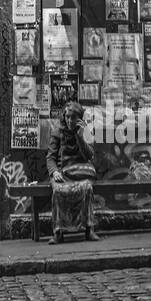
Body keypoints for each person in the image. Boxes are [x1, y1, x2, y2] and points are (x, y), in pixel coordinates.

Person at [46, 98, 99, 243]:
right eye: (67, 117)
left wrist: (80, 136)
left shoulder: (85, 131)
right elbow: (50, 158)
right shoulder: (57, 132)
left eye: (73, 118)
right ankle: (58, 232)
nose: (69, 121)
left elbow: (89, 155)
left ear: (79, 119)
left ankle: (89, 229)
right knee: (58, 191)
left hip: (80, 172)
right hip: (62, 173)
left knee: (87, 188)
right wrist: (54, 171)